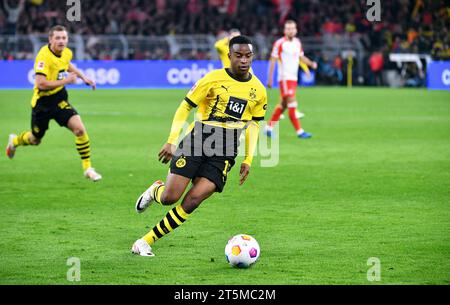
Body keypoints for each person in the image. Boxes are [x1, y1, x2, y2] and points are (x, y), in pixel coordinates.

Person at [131, 35, 267, 257]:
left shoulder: (258, 90)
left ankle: (145, 241)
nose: (244, 60)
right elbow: (185, 107)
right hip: (199, 140)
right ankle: (156, 190)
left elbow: (254, 125)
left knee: (193, 200)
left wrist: (248, 159)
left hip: (226, 150)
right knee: (170, 198)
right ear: (229, 56)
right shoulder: (212, 79)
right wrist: (172, 140)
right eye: (239, 55)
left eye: (248, 56)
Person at [5, 25, 102, 182]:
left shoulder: (67, 52)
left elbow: (67, 64)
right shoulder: (43, 57)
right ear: (50, 39)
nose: (61, 41)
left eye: (64, 38)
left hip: (59, 99)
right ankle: (15, 141)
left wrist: (83, 77)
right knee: (36, 139)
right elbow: (41, 84)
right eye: (57, 38)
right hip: (42, 104)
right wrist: (66, 80)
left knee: (79, 130)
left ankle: (88, 168)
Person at [265, 20, 317, 139]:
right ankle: (300, 131)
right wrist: (269, 78)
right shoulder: (280, 43)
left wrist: (311, 64)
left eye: (292, 28)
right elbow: (272, 60)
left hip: (293, 78)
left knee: (283, 105)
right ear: (284, 30)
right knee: (292, 103)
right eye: (288, 28)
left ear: (296, 30)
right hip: (284, 78)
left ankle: (268, 128)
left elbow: (301, 57)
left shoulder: (297, 43)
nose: (290, 30)